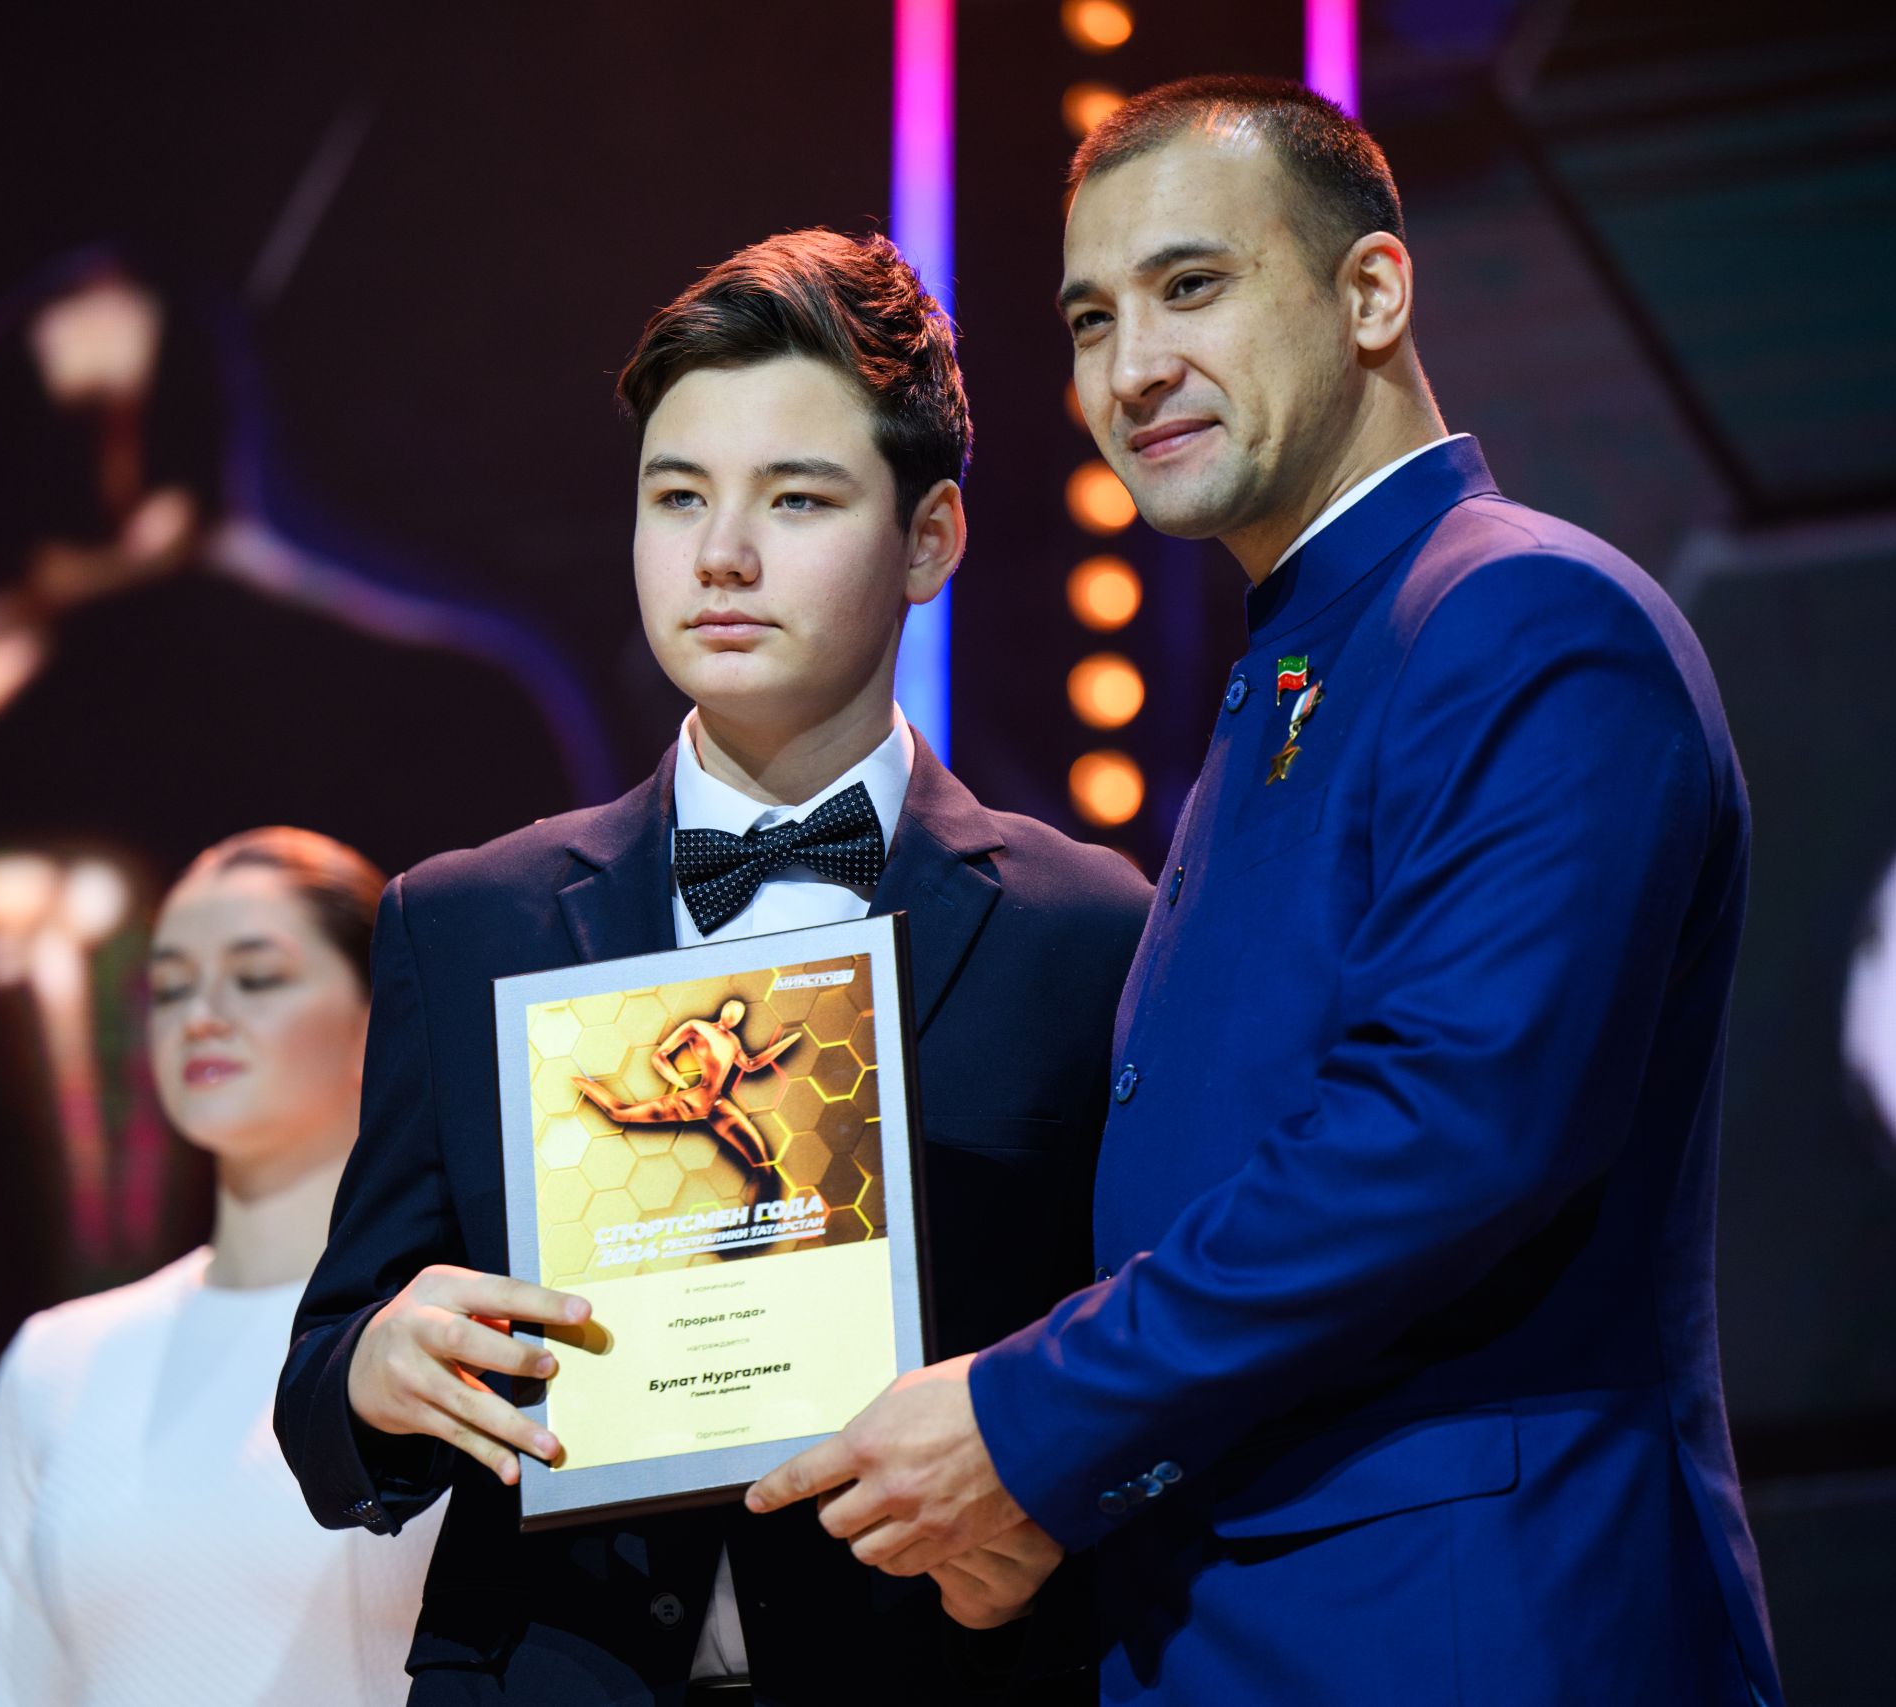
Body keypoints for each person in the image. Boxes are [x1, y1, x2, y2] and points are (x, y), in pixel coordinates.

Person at [747, 77, 1785, 1706]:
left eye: (1192, 286)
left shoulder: (1526, 618)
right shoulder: (1313, 661)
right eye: (1092, 320)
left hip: (1473, 1635)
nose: (1131, 369)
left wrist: (1026, 1421)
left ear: (1371, 291)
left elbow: (1442, 1132)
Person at [273, 229, 1152, 1703]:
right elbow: (322, 1399)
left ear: (930, 538)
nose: (721, 554)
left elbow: (1154, 1349)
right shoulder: (469, 921)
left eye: (796, 498)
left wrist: (1055, 1500)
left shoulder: (1085, 929)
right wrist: (378, 1366)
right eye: (677, 496)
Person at [0, 827, 443, 1706]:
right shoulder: (57, 1363)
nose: (201, 1015)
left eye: (256, 978)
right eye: (171, 986)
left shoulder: (445, 1331)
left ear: (378, 1014)